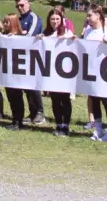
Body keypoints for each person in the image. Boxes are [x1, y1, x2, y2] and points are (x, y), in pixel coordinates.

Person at [74, 4, 107, 142]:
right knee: (94, 98)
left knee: (106, 99)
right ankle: (98, 128)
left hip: (104, 70)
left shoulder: (106, 32)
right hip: (91, 69)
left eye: (90, 15)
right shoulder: (88, 31)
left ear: (98, 16)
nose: (88, 18)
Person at [38, 8, 73, 136]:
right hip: (51, 72)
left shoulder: (67, 33)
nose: (55, 21)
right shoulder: (46, 34)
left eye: (57, 19)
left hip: (65, 73)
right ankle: (58, 124)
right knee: (55, 99)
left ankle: (66, 126)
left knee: (65, 99)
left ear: (61, 20)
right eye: (52, 19)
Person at [16, 0, 46, 125]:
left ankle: (40, 112)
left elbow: (30, 36)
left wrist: (20, 35)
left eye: (22, 5)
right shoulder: (19, 19)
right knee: (25, 86)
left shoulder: (34, 18)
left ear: (28, 4)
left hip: (33, 56)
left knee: (33, 86)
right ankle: (32, 112)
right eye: (18, 6)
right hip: (21, 56)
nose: (20, 8)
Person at [0, 13, 28, 130]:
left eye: (8, 22)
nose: (5, 24)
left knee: (17, 97)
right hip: (7, 71)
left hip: (17, 72)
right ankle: (14, 119)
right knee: (10, 96)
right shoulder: (4, 35)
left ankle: (19, 120)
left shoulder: (21, 37)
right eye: (4, 22)